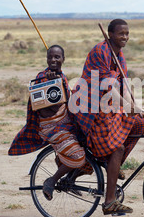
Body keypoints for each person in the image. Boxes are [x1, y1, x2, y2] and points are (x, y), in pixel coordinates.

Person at [70, 19, 144, 215]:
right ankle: (109, 201)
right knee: (117, 148)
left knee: (139, 124)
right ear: (110, 34)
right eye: (121, 34)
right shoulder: (100, 52)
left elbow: (124, 85)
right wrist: (131, 107)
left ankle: (111, 165)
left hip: (106, 105)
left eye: (127, 34)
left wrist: (137, 108)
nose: (125, 37)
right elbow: (107, 88)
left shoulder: (119, 55)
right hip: (89, 108)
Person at [8, 45, 89, 200]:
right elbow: (46, 109)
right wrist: (53, 86)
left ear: (63, 59)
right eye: (50, 57)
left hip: (65, 122)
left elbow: (67, 100)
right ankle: (51, 181)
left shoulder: (61, 76)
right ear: (46, 59)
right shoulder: (42, 78)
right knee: (79, 157)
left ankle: (70, 180)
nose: (53, 60)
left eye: (57, 57)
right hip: (51, 126)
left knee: (91, 144)